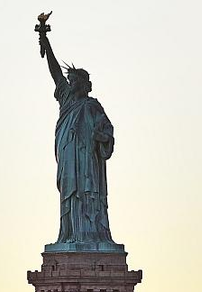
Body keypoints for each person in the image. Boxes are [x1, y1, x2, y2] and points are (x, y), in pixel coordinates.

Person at [38, 28, 116, 245]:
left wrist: (102, 137)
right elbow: (55, 73)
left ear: (83, 85)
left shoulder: (92, 106)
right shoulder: (66, 99)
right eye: (69, 81)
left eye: (74, 82)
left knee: (87, 193)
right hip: (68, 156)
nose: (70, 84)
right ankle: (70, 234)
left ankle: (90, 234)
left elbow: (107, 131)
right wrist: (46, 41)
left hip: (87, 161)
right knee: (69, 194)